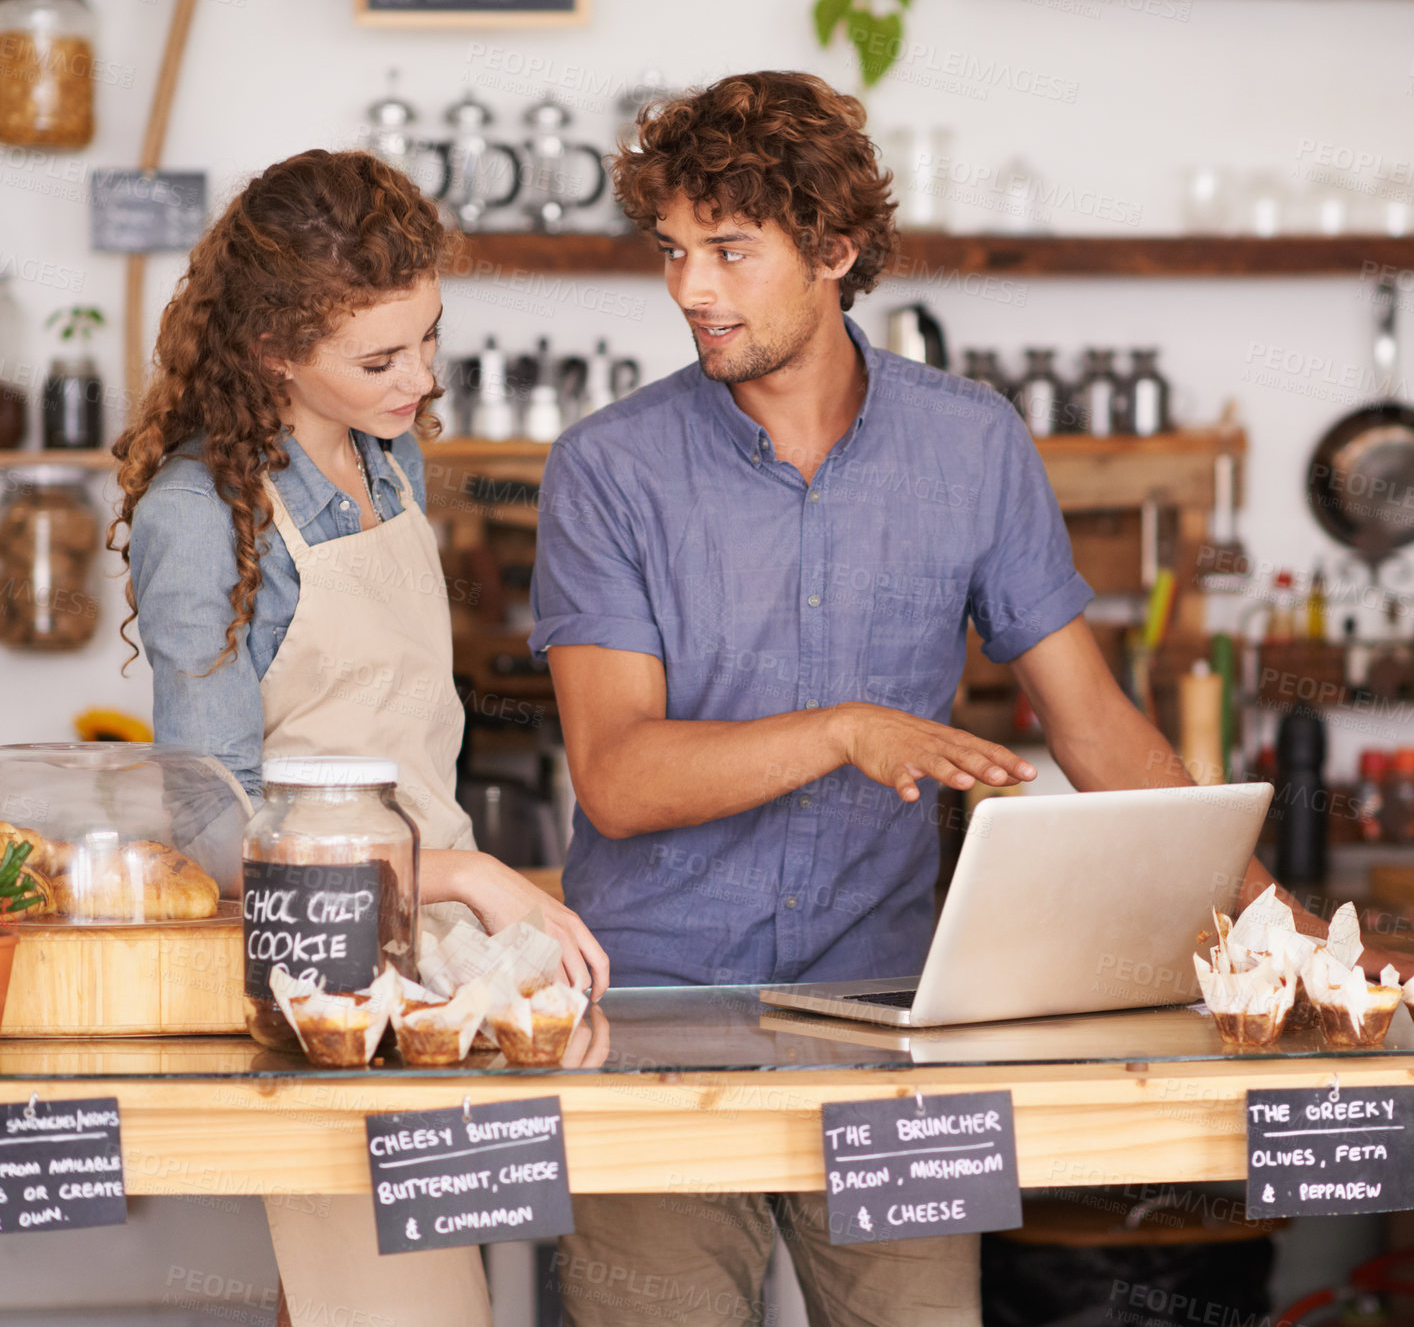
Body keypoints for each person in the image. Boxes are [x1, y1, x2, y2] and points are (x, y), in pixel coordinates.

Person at [529, 72, 1398, 1327]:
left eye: (727, 250)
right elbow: (618, 773)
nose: (689, 291)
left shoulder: (972, 442)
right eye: (672, 252)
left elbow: (1094, 730)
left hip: (895, 1025)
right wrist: (845, 730)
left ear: (834, 249)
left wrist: (1296, 937)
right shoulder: (607, 469)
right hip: (656, 1016)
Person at [110, 148, 608, 1327]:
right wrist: (475, 873)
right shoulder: (206, 514)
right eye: (381, 359)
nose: (418, 380)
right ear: (273, 351)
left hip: (430, 965)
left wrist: (459, 907)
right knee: (396, 1309)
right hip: (319, 973)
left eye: (428, 341)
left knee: (422, 1304)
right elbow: (211, 826)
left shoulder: (389, 458)